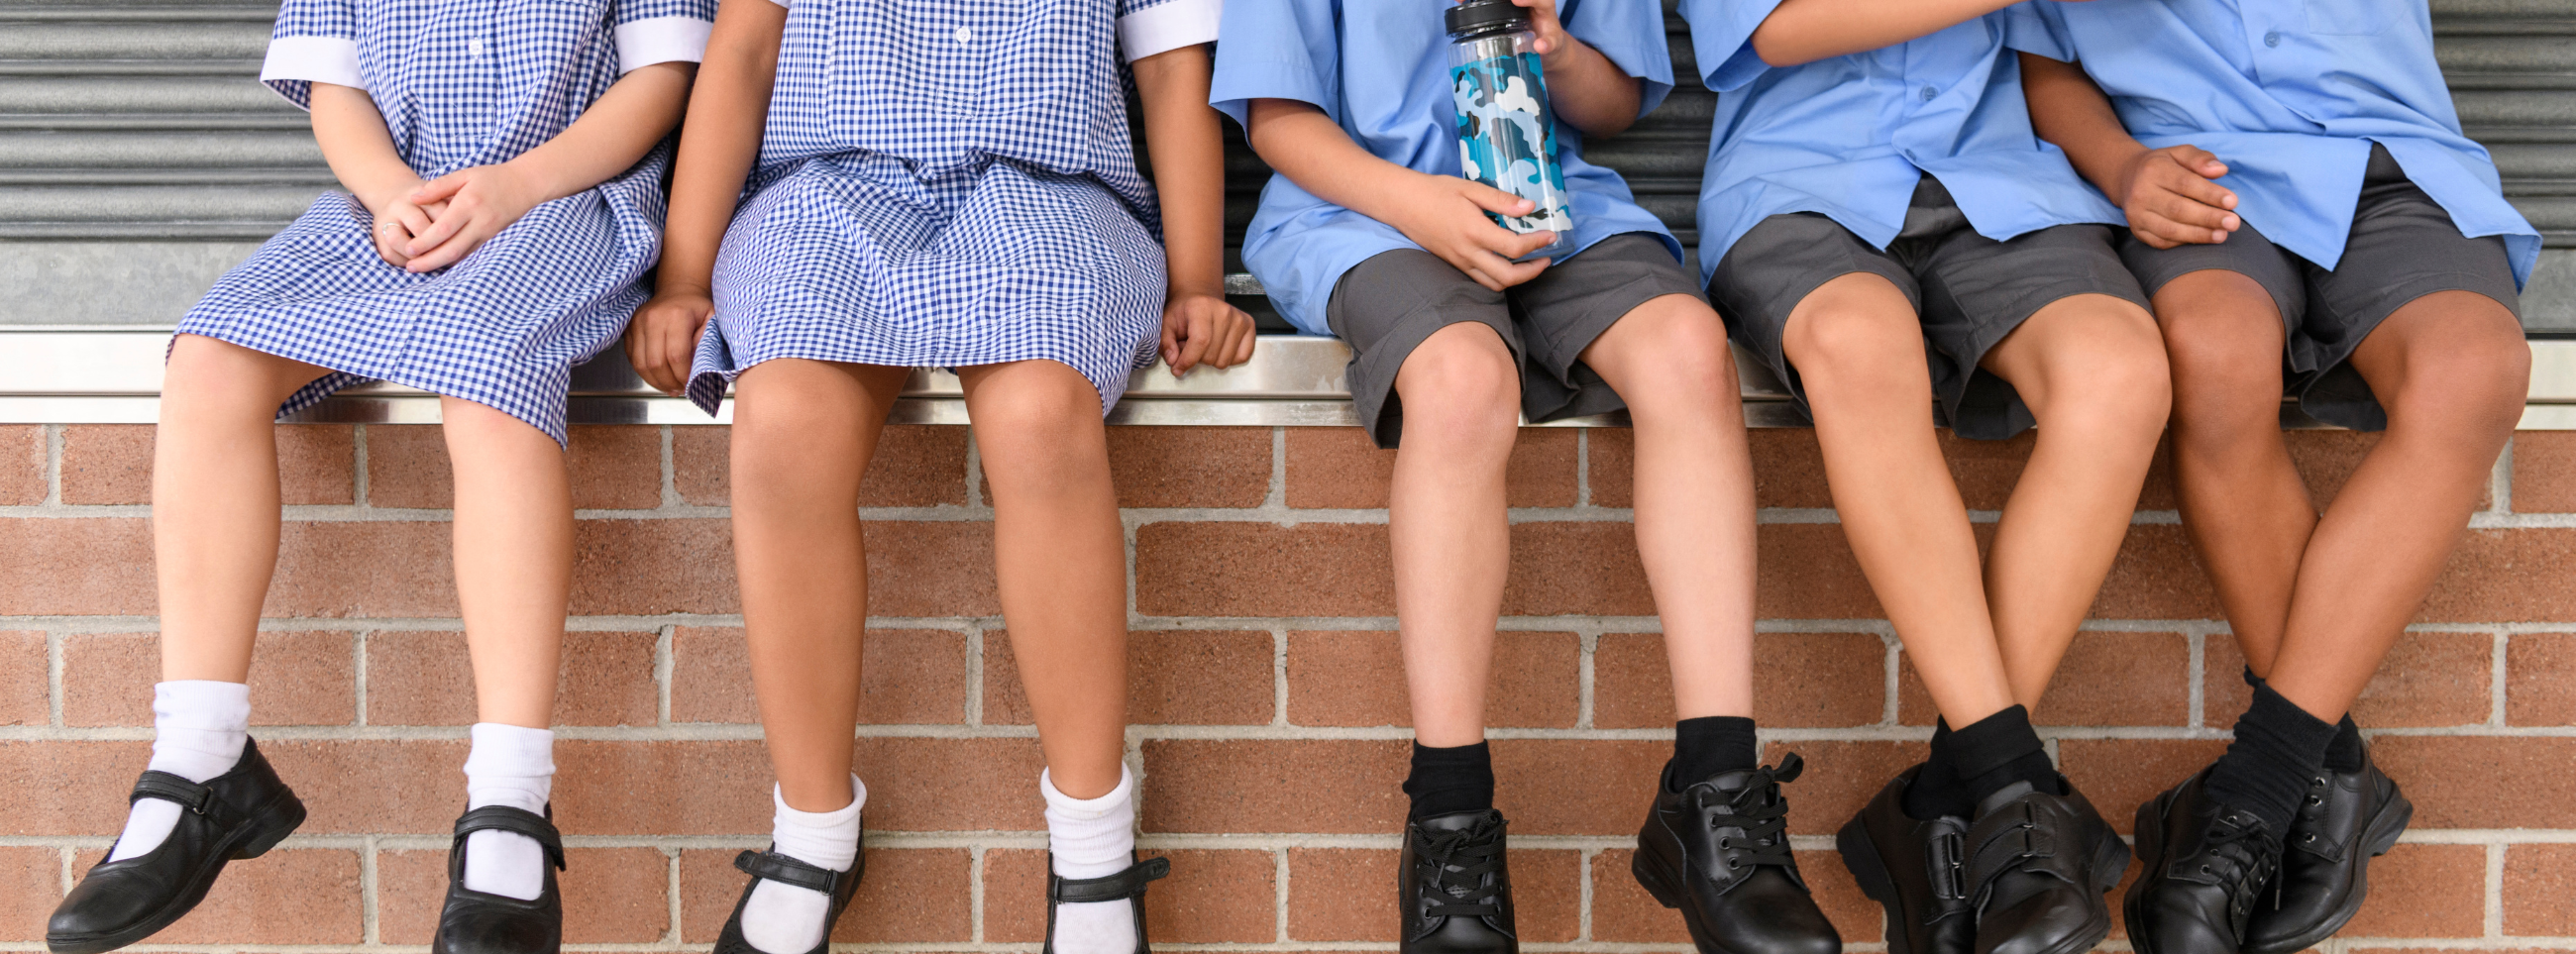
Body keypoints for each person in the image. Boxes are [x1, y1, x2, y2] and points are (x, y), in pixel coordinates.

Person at [42, 4, 710, 954]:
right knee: (209, 357)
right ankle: (201, 755)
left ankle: (510, 797)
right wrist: (390, 188)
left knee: (484, 370)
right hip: (391, 203)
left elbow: (664, 80)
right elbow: (336, 83)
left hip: (562, 197)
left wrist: (517, 187)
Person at [618, 1, 1252, 952]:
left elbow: (1169, 68)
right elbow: (744, 53)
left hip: (1049, 196)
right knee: (784, 423)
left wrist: (1199, 273)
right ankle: (813, 828)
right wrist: (682, 277)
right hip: (827, 193)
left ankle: (1093, 850)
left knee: (1042, 420)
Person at [1214, 2, 1837, 951]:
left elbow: (1616, 101)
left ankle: (1715, 795)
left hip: (1551, 201)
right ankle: (1450, 821)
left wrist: (1556, 46)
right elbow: (1277, 120)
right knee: (1463, 380)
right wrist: (1419, 203)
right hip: (1365, 211)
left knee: (1686, 346)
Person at [2015, 1, 2533, 949]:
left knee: (2475, 368)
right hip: (2197, 170)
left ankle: (2256, 789)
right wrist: (2123, 166)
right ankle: (2318, 768)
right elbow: (2040, 58)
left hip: (2398, 166)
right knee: (2212, 357)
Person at [1677, 0, 2178, 952]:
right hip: (1800, 186)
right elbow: (1770, 28)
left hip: (2003, 181)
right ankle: (2007, 787)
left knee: (2120, 370)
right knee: (1862, 349)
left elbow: (2069, 42)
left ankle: (1960, 792)